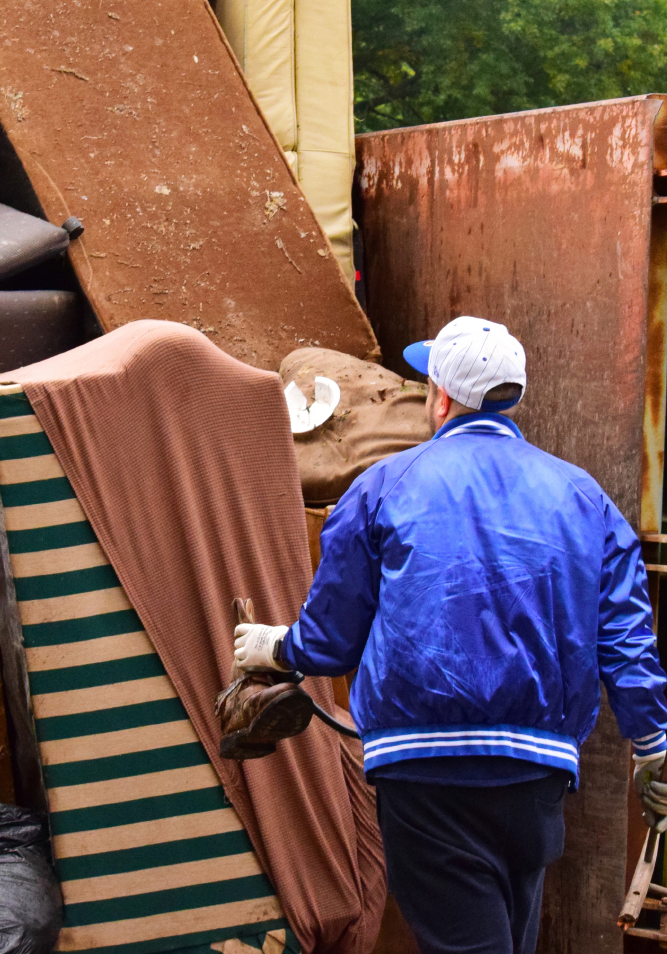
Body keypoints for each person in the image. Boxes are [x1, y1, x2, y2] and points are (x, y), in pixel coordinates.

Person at [233, 315, 667, 954]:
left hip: (426, 773)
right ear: (511, 396)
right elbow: (627, 636)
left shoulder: (383, 485)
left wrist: (277, 647)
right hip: (537, 775)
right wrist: (653, 743)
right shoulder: (583, 497)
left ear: (439, 397)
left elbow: (331, 639)